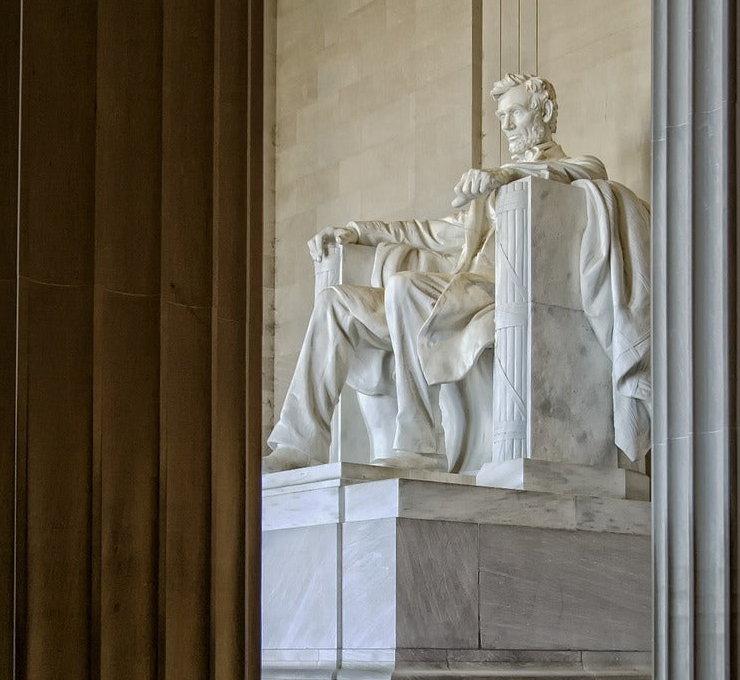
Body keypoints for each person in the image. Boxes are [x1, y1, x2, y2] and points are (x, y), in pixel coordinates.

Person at [264, 72, 649, 472]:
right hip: (451, 297)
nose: (507, 126)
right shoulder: (493, 191)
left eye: (514, 113)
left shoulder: (566, 172)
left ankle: (420, 446)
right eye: (502, 117)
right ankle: (300, 442)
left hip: (498, 295)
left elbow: (587, 170)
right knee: (335, 303)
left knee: (404, 288)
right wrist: (357, 230)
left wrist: (506, 175)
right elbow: (430, 232)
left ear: (545, 111)